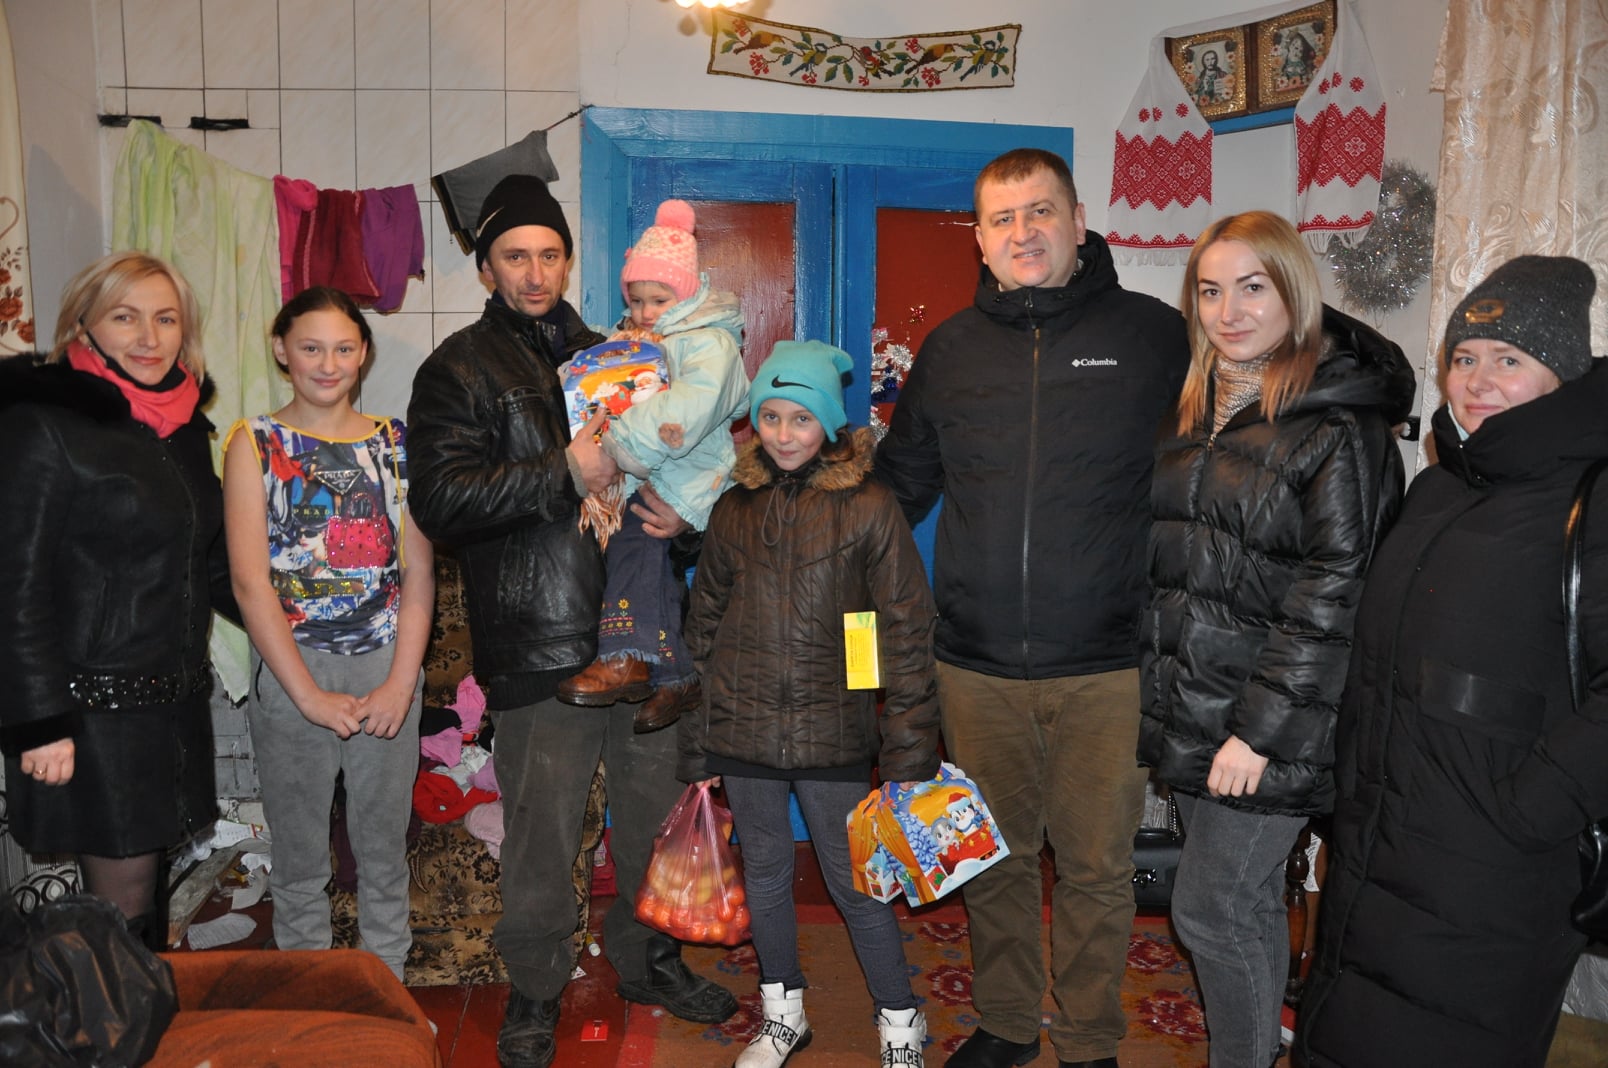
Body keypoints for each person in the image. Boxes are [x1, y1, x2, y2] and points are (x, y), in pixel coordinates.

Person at [405, 174, 736, 1068]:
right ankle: (536, 987)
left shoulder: (619, 351)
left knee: (652, 817)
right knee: (544, 835)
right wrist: (565, 471)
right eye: (515, 256)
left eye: (549, 254)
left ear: (567, 260)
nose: (535, 272)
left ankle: (646, 959)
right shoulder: (458, 369)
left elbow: (690, 451)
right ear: (486, 267)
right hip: (537, 639)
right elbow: (439, 501)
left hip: (641, 636)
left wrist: (683, 518)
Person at [875, 147, 1189, 1068]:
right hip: (974, 665)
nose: (1024, 232)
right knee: (996, 859)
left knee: (1096, 868)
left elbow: (1229, 446)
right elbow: (896, 491)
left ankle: (1089, 1037)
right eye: (1003, 219)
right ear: (978, 239)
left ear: (1079, 222)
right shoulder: (951, 351)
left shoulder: (1155, 336)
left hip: (1109, 662)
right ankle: (1008, 1024)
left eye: (1041, 211)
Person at [1297, 256, 1608, 1068]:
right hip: (1381, 843)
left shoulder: (1592, 500)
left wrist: (1524, 815)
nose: (1478, 380)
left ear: (1563, 372)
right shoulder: (1440, 487)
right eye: (1465, 358)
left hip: (1491, 878)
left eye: (1509, 358)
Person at [1137, 211, 1414, 1068]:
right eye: (1210, 291)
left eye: (1252, 287)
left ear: (1294, 292)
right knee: (1244, 908)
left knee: (1209, 912)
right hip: (1199, 710)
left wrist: (1257, 733)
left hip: (1271, 726)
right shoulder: (1196, 410)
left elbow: (1336, 595)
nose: (1230, 311)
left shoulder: (1338, 427)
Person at [683, 339, 941, 1068]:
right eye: (771, 416)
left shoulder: (870, 506)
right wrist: (699, 742)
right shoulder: (733, 508)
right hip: (744, 730)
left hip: (835, 731)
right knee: (764, 874)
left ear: (828, 423)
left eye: (802, 418)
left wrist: (909, 748)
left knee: (857, 884)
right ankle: (782, 1013)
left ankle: (900, 1019)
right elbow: (703, 626)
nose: (785, 433)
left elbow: (906, 628)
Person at [0, 251, 237, 950]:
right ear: (85, 326)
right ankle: (121, 1019)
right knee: (125, 914)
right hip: (90, 712)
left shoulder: (182, 428)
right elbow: (14, 583)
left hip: (170, 704)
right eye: (125, 317)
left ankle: (133, 1012)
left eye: (166, 319)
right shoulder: (44, 424)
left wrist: (309, 618)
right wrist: (39, 724)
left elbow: (211, 562)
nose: (148, 337)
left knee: (143, 901)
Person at [223, 285, 433, 981]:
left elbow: (418, 574)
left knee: (382, 851)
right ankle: (309, 996)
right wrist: (308, 696)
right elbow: (250, 582)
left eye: (344, 348)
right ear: (281, 350)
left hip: (385, 671)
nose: (328, 363)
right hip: (294, 675)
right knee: (299, 858)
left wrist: (401, 683)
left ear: (363, 354)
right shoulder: (254, 443)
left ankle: (386, 990)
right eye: (311, 347)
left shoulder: (396, 443)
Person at [557, 198, 749, 734]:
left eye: (659, 300)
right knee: (653, 567)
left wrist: (621, 446)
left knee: (633, 547)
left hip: (688, 473)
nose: (644, 312)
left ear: (688, 294)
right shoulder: (649, 338)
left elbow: (689, 406)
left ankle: (624, 653)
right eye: (637, 299)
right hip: (663, 472)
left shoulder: (709, 342)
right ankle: (675, 674)